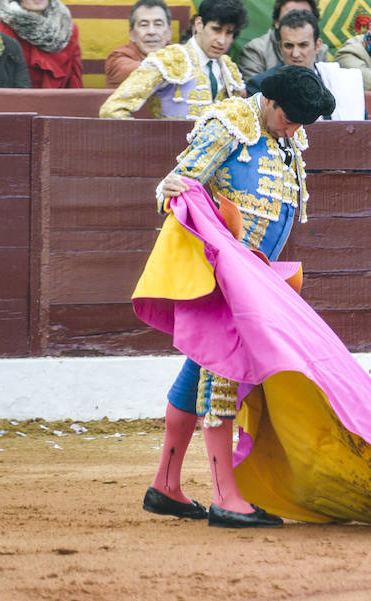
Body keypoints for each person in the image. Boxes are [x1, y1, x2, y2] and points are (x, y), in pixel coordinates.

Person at [140, 64, 337, 528]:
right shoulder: (230, 122)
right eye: (290, 119)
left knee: (200, 372)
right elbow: (179, 186)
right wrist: (167, 189)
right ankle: (226, 497)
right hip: (225, 276)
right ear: (268, 101)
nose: (295, 130)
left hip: (257, 280)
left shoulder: (287, 137)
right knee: (221, 376)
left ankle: (166, 486)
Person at [99, 0, 246, 120]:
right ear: (199, 25)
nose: (221, 40)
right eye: (216, 29)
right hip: (170, 152)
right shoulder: (169, 60)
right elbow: (112, 110)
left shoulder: (228, 68)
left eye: (229, 33)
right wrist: (144, 146)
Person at [246, 10, 364, 120]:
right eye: (289, 45)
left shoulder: (344, 82)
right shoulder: (259, 85)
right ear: (280, 48)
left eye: (303, 45)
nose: (295, 54)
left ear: (317, 46)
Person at [0, 0, 81, 88]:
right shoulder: (2, 29)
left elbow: (74, 76)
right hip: (17, 98)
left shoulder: (66, 29)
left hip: (57, 99)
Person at [238, 0, 328, 80]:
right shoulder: (256, 50)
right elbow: (254, 94)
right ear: (276, 22)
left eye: (305, 16)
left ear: (317, 46)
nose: (297, 21)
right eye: (289, 17)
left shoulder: (322, 51)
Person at [104, 0, 172, 88]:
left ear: (169, 33)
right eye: (144, 25)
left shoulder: (180, 53)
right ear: (131, 34)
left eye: (158, 24)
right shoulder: (117, 59)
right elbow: (148, 73)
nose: (151, 32)